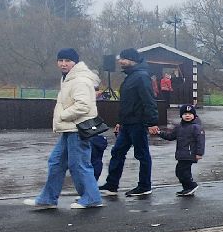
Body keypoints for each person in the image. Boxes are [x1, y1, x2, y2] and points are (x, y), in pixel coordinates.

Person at [24, 49, 104, 211]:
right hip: (70, 129)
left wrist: (62, 116)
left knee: (79, 164)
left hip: (77, 129)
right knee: (56, 162)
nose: (63, 63)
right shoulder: (68, 78)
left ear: (75, 62)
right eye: (60, 60)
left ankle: (91, 198)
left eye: (67, 60)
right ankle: (48, 198)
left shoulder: (79, 80)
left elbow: (83, 105)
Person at [100, 48, 158, 198]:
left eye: (123, 58)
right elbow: (126, 102)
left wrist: (152, 122)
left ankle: (145, 186)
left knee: (142, 154)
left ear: (132, 60)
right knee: (117, 152)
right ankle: (112, 185)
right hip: (127, 123)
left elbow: (149, 101)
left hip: (138, 123)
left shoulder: (142, 77)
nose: (120, 61)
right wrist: (120, 121)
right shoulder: (131, 76)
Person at [157, 103, 205, 196]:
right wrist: (159, 133)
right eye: (185, 114)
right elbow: (170, 136)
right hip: (181, 154)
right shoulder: (179, 127)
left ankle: (191, 186)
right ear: (181, 116)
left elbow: (201, 141)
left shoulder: (196, 127)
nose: (187, 116)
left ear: (194, 116)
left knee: (183, 171)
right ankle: (187, 188)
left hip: (190, 154)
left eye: (190, 114)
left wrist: (199, 153)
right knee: (179, 172)